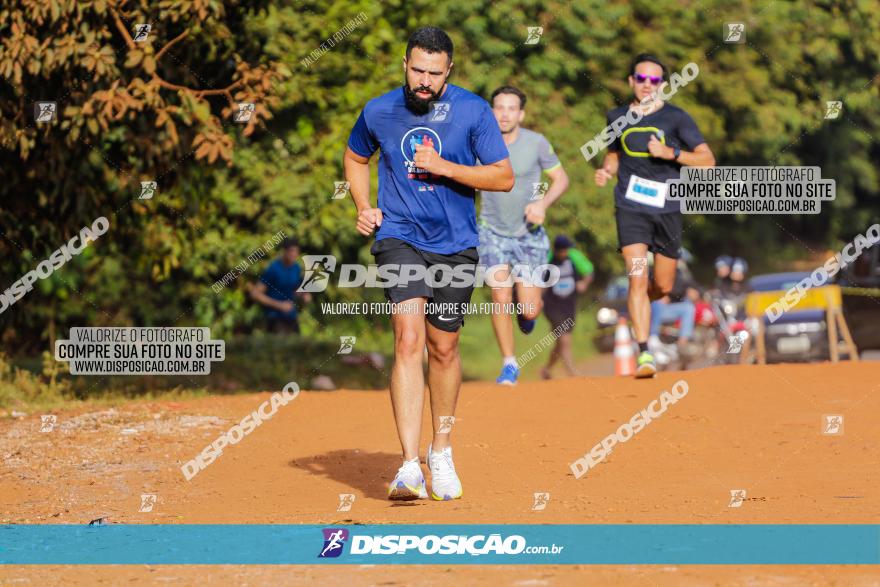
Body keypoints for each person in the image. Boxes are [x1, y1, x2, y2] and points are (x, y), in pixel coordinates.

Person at [343, 27, 514, 501]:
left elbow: (502, 177)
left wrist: (447, 168)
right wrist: (362, 204)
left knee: (443, 348)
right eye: (417, 70)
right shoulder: (378, 110)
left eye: (434, 74)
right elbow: (356, 157)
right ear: (404, 64)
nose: (424, 81)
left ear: (449, 71)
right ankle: (409, 464)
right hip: (399, 236)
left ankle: (441, 450)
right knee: (409, 338)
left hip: (456, 244)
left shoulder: (473, 111)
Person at [594, 53, 716, 378]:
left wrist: (670, 153)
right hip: (631, 209)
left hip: (667, 210)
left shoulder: (677, 118)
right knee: (636, 278)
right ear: (631, 81)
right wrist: (606, 171)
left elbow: (707, 160)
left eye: (654, 80)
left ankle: (643, 306)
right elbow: (613, 155)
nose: (647, 85)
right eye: (641, 78)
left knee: (661, 286)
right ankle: (645, 353)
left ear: (663, 84)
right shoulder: (615, 116)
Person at [479, 85, 570, 385]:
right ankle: (509, 364)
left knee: (530, 310)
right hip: (491, 232)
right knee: (499, 294)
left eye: (510, 108)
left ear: (521, 113)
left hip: (529, 234)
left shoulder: (537, 143)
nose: (504, 113)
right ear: (492, 111)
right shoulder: (478, 142)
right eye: (499, 107)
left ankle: (526, 312)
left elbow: (560, 179)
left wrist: (542, 204)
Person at [540, 235, 593, 379]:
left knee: (560, 342)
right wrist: (538, 300)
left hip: (569, 305)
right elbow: (541, 283)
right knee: (564, 337)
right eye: (563, 250)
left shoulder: (574, 257)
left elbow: (589, 271)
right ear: (556, 250)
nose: (565, 253)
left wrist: (584, 283)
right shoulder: (548, 260)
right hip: (552, 305)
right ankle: (571, 370)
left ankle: (546, 369)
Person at [248, 237, 310, 333]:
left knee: (299, 346)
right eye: (291, 251)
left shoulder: (296, 268)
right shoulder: (273, 269)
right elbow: (255, 294)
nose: (294, 254)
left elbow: (294, 288)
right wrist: (279, 305)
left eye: (296, 252)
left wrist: (304, 294)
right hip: (275, 319)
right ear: (284, 251)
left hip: (291, 317)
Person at [648, 265, 701, 363]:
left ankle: (682, 344)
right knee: (657, 304)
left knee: (688, 307)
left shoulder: (678, 271)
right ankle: (653, 339)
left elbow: (688, 285)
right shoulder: (651, 271)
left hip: (670, 308)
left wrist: (694, 291)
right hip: (655, 309)